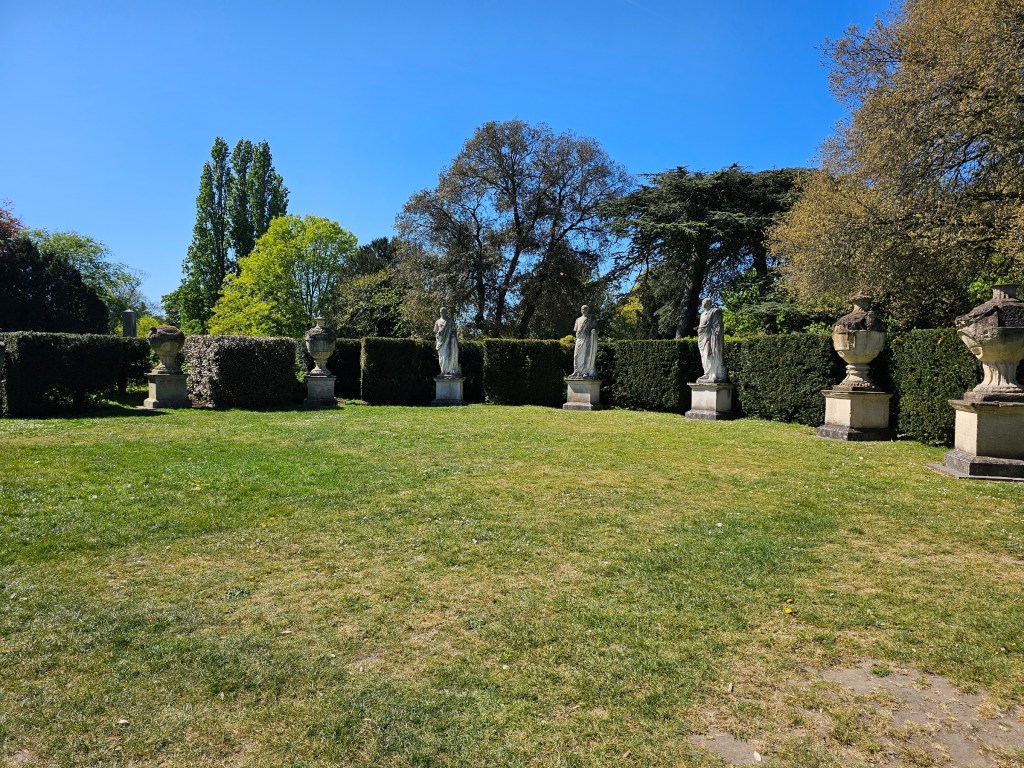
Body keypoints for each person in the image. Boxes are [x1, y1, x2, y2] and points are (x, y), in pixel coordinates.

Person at [696, 298, 727, 383]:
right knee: (704, 356)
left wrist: (715, 336)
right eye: (703, 302)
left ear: (709, 303)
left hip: (712, 337)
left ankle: (714, 374)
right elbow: (701, 326)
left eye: (705, 302)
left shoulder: (715, 311)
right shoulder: (702, 314)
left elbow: (718, 325)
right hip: (703, 337)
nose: (703, 303)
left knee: (712, 354)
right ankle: (707, 373)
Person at [570, 305, 598, 379]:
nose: (583, 310)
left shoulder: (591, 318)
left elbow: (596, 328)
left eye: (585, 309)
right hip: (579, 339)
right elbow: (576, 330)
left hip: (587, 338)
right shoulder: (578, 319)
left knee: (586, 355)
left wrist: (594, 331)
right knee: (576, 355)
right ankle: (576, 371)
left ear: (587, 310)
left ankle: (585, 372)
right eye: (582, 309)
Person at [433, 306, 461, 377]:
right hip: (441, 342)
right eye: (442, 312)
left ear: (446, 313)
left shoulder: (450, 321)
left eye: (445, 312)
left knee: (450, 355)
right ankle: (443, 371)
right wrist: (439, 333)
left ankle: (451, 371)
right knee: (442, 357)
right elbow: (435, 332)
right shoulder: (437, 322)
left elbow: (454, 331)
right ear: (440, 313)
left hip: (449, 342)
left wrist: (453, 336)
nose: (443, 313)